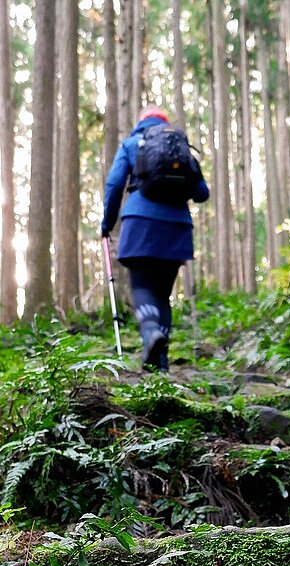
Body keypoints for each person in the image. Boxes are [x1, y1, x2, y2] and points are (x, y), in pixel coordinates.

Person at [101, 105, 209, 372]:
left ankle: (150, 334)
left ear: (141, 123)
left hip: (140, 223)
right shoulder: (180, 148)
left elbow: (115, 184)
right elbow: (202, 193)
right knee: (162, 295)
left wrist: (107, 223)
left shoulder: (131, 144)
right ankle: (160, 365)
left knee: (142, 287)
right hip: (176, 227)